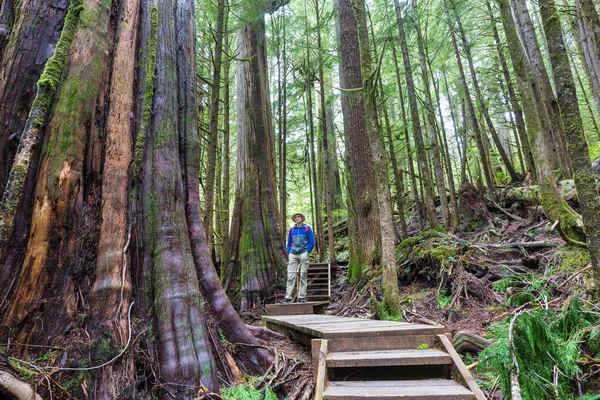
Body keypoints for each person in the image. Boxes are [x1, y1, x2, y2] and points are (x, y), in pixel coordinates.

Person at [280, 212, 314, 303]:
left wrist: (307, 252)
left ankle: (302, 296)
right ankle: (288, 297)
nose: (297, 218)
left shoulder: (307, 229)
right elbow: (289, 243)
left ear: (302, 219)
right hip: (293, 254)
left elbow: (312, 241)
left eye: (299, 217)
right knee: (291, 275)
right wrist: (290, 252)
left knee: (303, 274)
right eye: (296, 217)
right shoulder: (292, 230)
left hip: (303, 253)